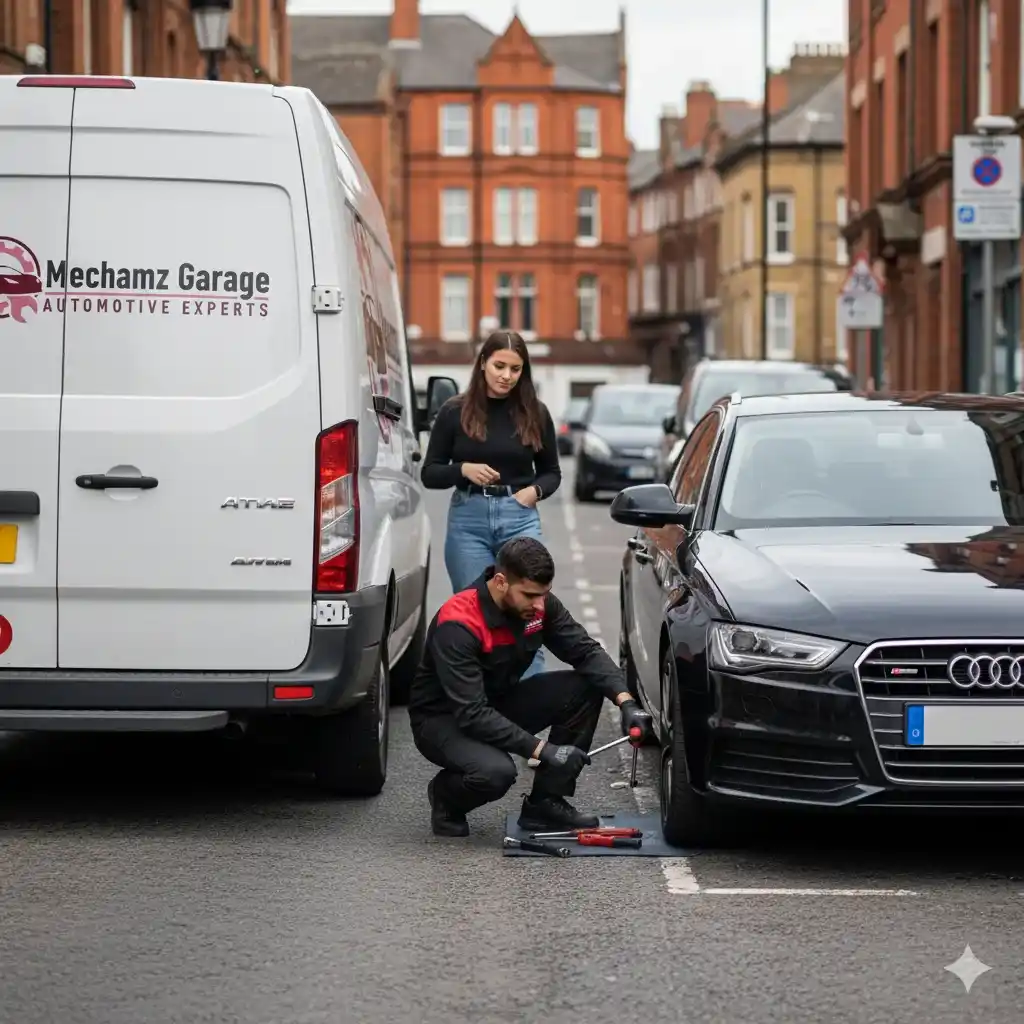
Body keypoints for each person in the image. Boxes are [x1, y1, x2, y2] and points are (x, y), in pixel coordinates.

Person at [407, 536, 650, 837]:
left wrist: (626, 703)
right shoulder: (459, 624)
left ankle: (544, 804)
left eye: (543, 594)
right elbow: (471, 713)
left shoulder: (538, 607)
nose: (539, 605)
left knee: (585, 687)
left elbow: (585, 652)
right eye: (530, 595)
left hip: (496, 703)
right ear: (500, 582)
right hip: (444, 719)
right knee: (497, 773)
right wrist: (544, 749)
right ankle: (446, 796)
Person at [420, 330, 560, 677]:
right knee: (475, 613)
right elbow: (430, 473)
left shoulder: (535, 413)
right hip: (469, 519)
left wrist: (534, 492)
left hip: (520, 517)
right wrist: (463, 469)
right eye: (499, 366)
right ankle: (477, 706)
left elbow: (551, 472)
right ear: (483, 363)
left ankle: (528, 705)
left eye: (515, 369)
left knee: (529, 611)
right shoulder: (455, 412)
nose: (506, 376)